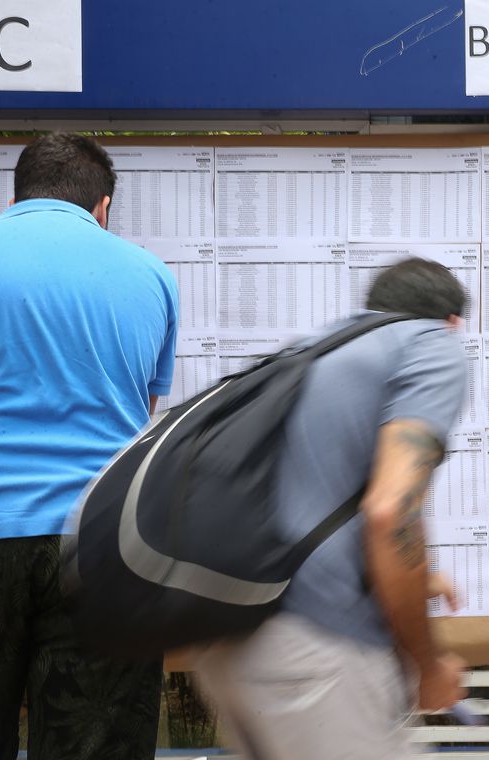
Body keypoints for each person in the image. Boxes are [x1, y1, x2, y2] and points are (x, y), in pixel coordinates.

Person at [0, 133, 179, 759]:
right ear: (102, 207)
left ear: (15, 197)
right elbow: (142, 409)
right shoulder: (151, 275)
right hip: (103, 545)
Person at [193, 257, 470, 760]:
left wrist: (416, 578)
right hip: (316, 652)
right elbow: (390, 514)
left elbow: (302, 503)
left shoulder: (312, 353)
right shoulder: (432, 345)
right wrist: (428, 665)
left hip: (229, 641)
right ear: (451, 322)